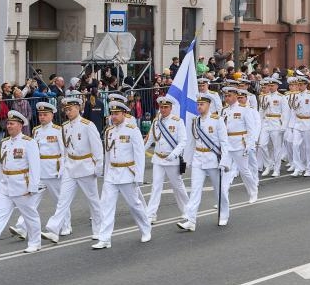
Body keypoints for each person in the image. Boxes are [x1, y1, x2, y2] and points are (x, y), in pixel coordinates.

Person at [0, 110, 43, 255]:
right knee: (0, 215)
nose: (8, 126)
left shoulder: (29, 143)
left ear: (20, 125)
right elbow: (1, 166)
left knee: (30, 215)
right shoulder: (4, 143)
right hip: (6, 184)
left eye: (12, 123)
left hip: (21, 185)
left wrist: (33, 186)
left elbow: (35, 166)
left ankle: (35, 242)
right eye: (8, 123)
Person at [41, 96, 103, 243]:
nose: (68, 112)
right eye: (66, 110)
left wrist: (98, 168)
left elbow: (97, 149)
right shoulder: (65, 126)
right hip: (70, 166)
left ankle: (99, 230)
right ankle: (53, 229)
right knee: (63, 200)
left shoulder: (88, 125)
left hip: (86, 167)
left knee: (93, 200)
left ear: (78, 108)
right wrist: (64, 166)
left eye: (70, 109)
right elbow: (66, 149)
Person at [92, 102, 152, 249]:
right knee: (106, 206)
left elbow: (139, 155)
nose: (114, 117)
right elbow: (107, 155)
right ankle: (105, 238)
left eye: (117, 114)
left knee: (135, 205)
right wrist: (105, 174)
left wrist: (139, 176)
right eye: (112, 114)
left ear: (124, 114)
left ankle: (146, 229)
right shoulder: (109, 131)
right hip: (112, 174)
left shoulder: (133, 130)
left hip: (127, 173)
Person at [9, 102, 66, 241]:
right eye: (40, 115)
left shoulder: (58, 130)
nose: (42, 117)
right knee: (31, 200)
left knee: (60, 200)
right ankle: (22, 227)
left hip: (54, 169)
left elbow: (64, 151)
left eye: (45, 115)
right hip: (40, 170)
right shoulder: (36, 130)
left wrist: (62, 168)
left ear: (52, 115)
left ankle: (65, 226)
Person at [178, 95, 231, 230]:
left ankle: (223, 214)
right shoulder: (195, 121)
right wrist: (186, 161)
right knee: (195, 190)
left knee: (219, 190)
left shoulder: (217, 120)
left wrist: (224, 161)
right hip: (198, 158)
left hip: (213, 159)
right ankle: (191, 220)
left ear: (209, 105)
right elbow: (191, 143)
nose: (199, 107)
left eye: (202, 104)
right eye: (198, 104)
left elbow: (224, 142)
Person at [143, 95, 190, 224]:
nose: (163, 110)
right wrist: (140, 152)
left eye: (166, 107)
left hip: (172, 160)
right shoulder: (156, 121)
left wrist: (174, 154)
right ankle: (151, 214)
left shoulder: (177, 121)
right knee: (156, 187)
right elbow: (150, 139)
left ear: (171, 108)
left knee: (177, 186)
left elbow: (183, 141)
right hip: (158, 159)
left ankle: (187, 211)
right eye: (161, 107)